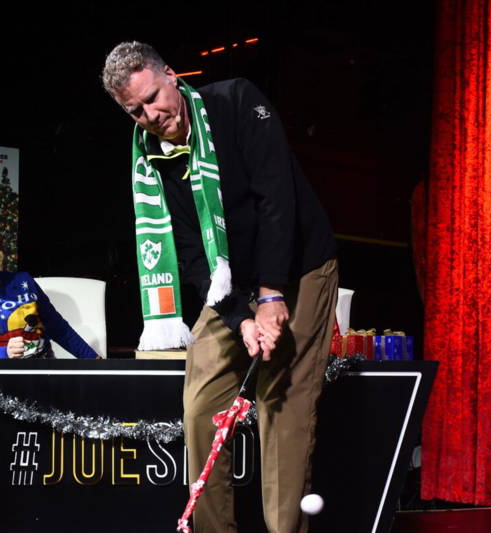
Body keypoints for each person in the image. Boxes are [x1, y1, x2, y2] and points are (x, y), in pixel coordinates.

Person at [103, 42, 338, 533]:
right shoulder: (154, 157)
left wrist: (272, 295)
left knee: (282, 407)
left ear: (170, 75)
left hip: (298, 267)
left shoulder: (235, 102)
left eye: (152, 97)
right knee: (199, 405)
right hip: (231, 281)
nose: (150, 114)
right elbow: (190, 250)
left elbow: (277, 198)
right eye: (134, 110)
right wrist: (240, 317)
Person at [0, 215, 99, 359]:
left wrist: (94, 361)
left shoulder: (24, 282)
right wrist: (4, 353)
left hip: (42, 373)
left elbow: (59, 329)